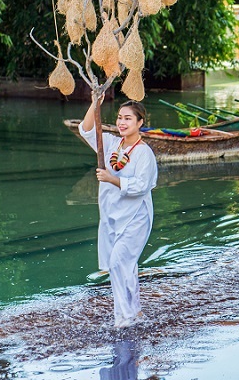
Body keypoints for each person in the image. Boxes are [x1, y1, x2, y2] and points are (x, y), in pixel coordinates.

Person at [79, 97, 157, 327]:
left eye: (128, 118)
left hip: (136, 218)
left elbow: (142, 185)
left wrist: (111, 179)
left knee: (118, 263)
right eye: (120, 118)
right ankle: (134, 311)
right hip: (112, 216)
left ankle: (124, 319)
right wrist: (95, 103)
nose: (122, 122)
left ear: (140, 122)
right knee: (126, 266)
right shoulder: (113, 144)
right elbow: (86, 130)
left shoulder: (144, 153)